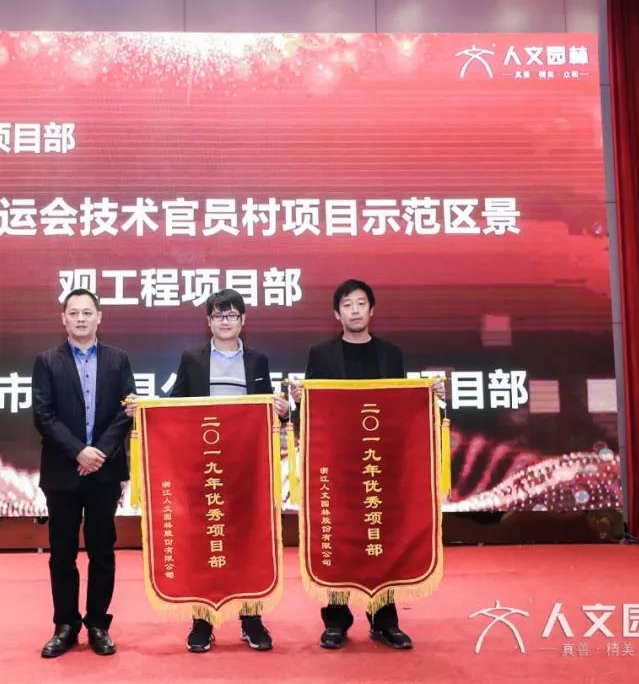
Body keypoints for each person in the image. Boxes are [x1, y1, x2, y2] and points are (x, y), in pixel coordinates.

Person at [129, 289, 289, 653]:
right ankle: (202, 621)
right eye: (218, 315)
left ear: (243, 320)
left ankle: (251, 619)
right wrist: (145, 409)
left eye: (232, 315)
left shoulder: (258, 360)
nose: (225, 321)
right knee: (204, 540)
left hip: (247, 468)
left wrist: (282, 410)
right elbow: (174, 406)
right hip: (204, 466)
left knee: (249, 541)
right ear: (208, 321)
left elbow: (267, 411)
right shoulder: (192, 358)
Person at [290, 278, 443, 652]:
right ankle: (336, 621)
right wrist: (299, 400)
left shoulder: (391, 354)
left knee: (381, 537)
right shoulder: (321, 354)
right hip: (338, 463)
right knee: (338, 538)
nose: (355, 310)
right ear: (336, 314)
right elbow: (313, 413)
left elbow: (402, 409)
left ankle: (384, 620)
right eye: (347, 305)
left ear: (372, 310)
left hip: (381, 462)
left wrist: (432, 397)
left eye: (361, 303)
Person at [32, 288, 136, 659]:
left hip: (104, 472)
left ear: (99, 317)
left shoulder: (118, 360)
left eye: (87, 312)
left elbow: (127, 411)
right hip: (62, 472)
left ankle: (97, 624)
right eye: (73, 313)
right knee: (62, 552)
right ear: (63, 319)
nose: (80, 319)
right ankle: (65, 625)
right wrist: (78, 450)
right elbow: (43, 415)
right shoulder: (47, 361)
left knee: (101, 550)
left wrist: (98, 453)